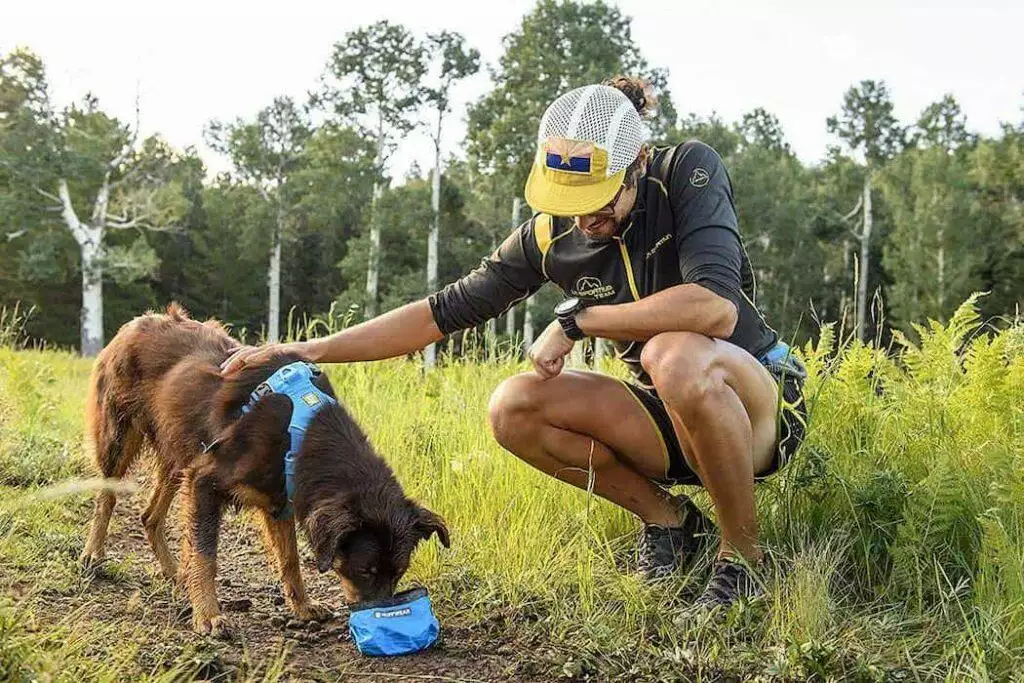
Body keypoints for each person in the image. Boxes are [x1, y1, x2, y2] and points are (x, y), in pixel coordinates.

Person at [222, 76, 807, 612]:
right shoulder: (551, 233)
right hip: (670, 413)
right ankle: (675, 525)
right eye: (571, 202)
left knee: (671, 351)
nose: (585, 220)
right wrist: (308, 350)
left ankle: (743, 557)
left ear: (638, 164)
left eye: (600, 199)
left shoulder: (686, 173)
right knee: (514, 405)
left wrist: (581, 319)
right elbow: (439, 312)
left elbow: (715, 307)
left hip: (759, 404)